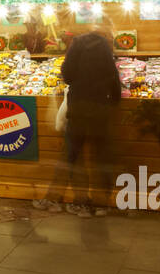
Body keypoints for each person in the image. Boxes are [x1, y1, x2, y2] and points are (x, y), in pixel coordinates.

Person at [33, 23, 120, 217]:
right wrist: (113, 100)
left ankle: (69, 201)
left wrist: (79, 84)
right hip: (100, 109)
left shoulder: (78, 44)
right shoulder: (105, 47)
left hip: (79, 108)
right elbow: (113, 77)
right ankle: (101, 205)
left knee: (72, 156)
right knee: (100, 158)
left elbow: (67, 74)